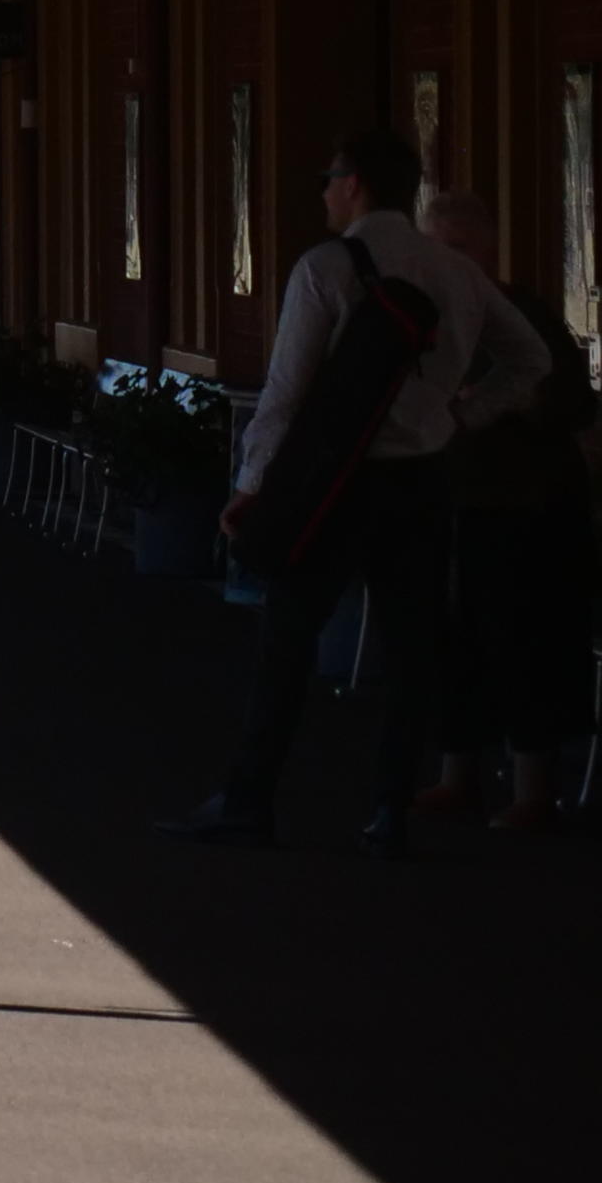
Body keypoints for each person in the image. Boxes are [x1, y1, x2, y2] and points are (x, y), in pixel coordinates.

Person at [163, 125, 548, 854]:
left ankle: (249, 799)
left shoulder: (325, 269)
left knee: (287, 640)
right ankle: (388, 811)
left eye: (328, 177)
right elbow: (527, 360)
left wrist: (251, 486)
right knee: (412, 650)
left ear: (356, 184)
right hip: (426, 480)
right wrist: (463, 410)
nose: (323, 190)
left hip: (335, 482)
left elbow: (286, 395)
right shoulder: (458, 272)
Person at [408, 182, 594, 830]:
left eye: (461, 248)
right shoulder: (427, 318)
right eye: (438, 249)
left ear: (486, 251)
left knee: (523, 643)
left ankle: (532, 791)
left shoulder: (522, 312)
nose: (449, 261)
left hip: (524, 505)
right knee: (453, 643)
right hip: (453, 497)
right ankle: (456, 776)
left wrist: (493, 395)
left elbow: (565, 399)